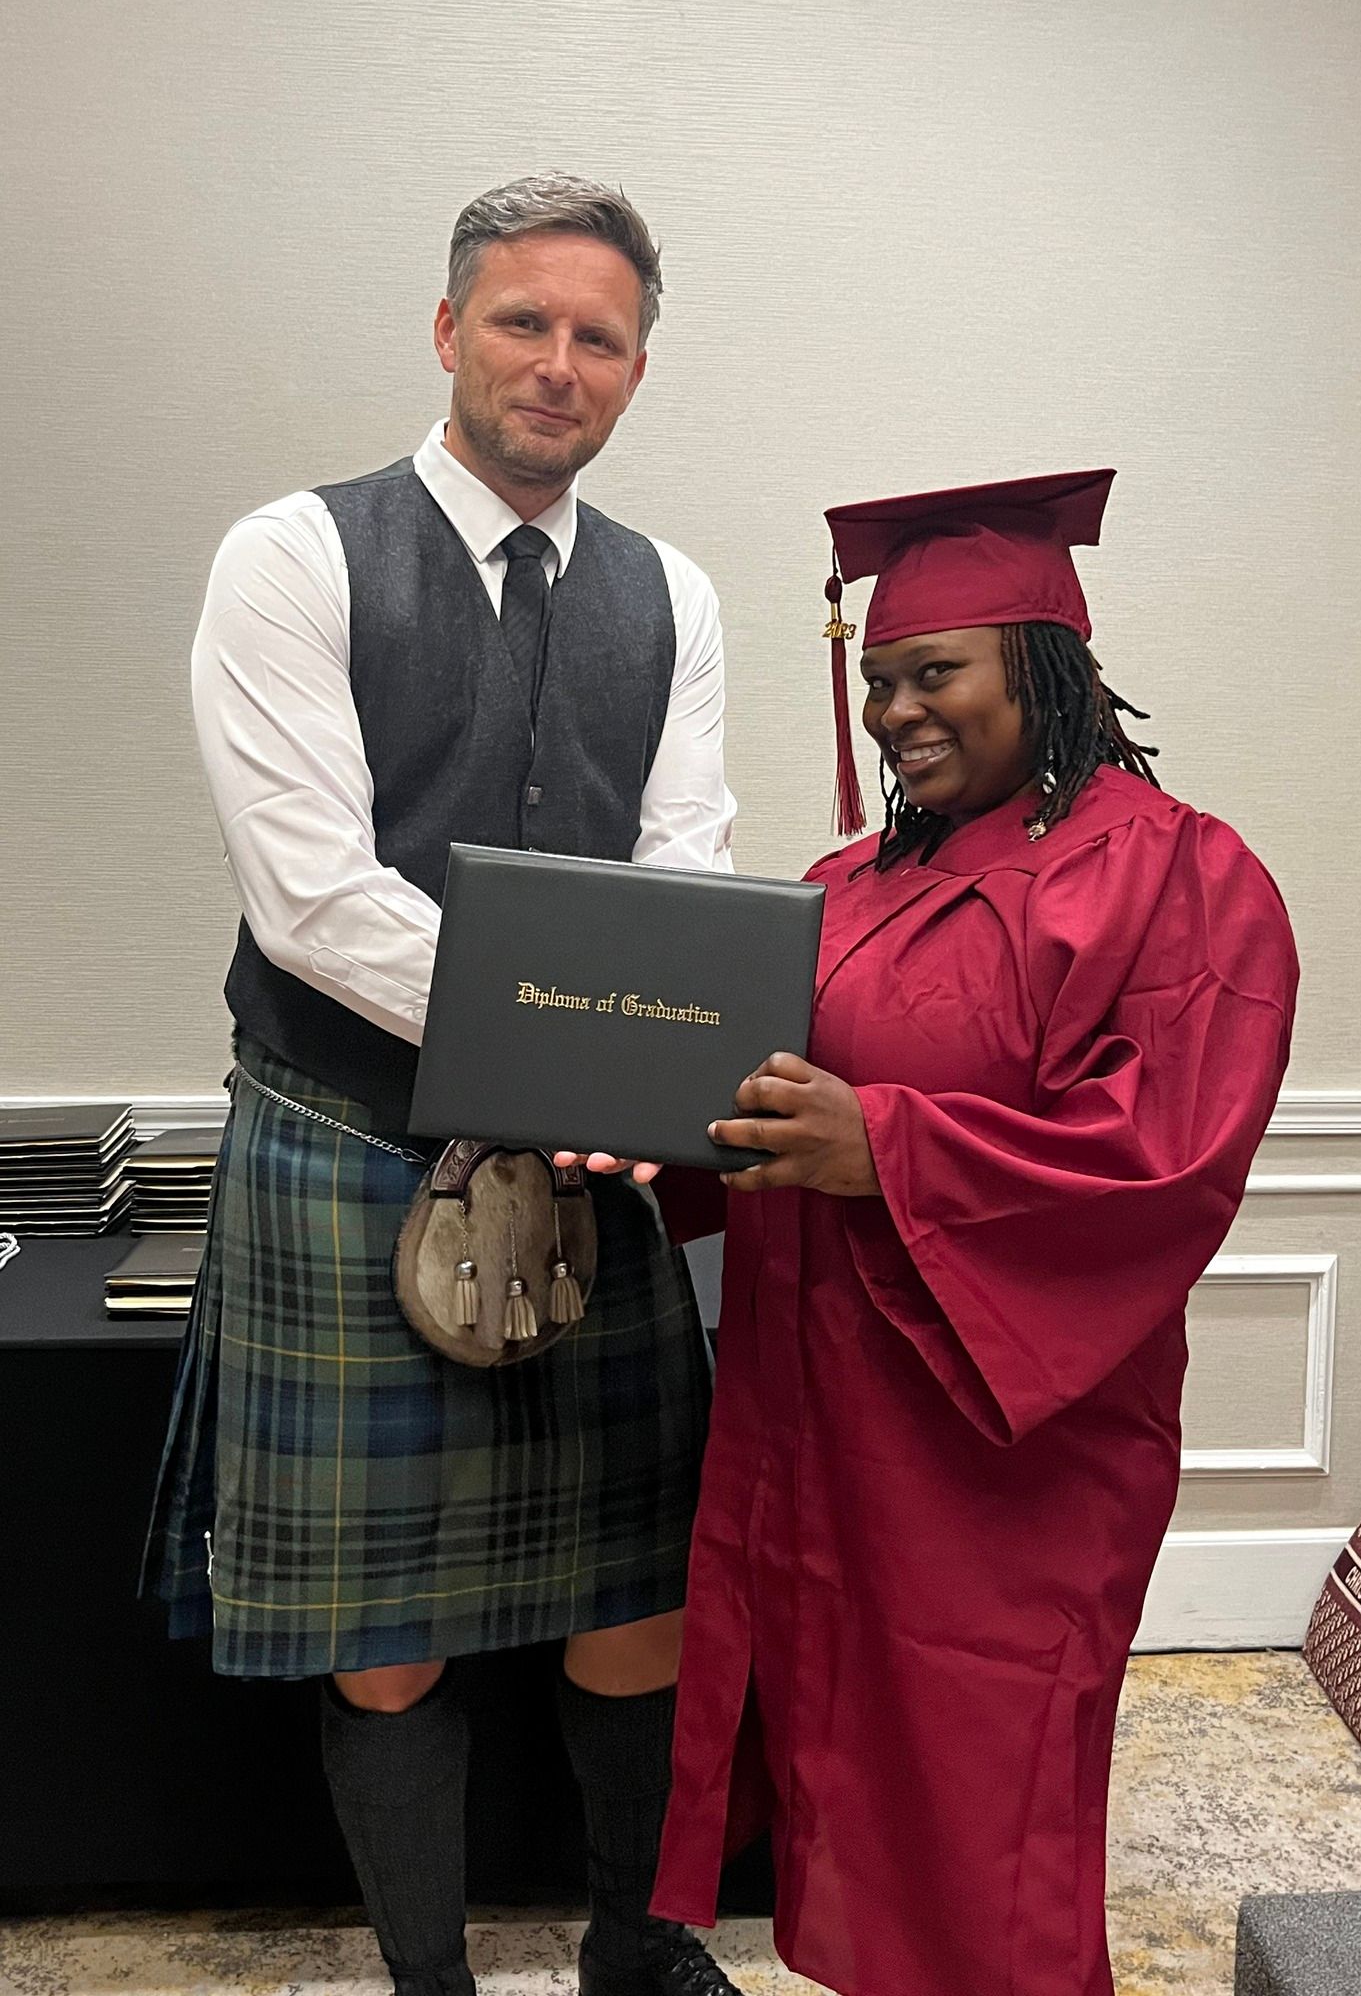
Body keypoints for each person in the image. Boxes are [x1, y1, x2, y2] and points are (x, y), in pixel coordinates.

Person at [144, 174, 742, 1996]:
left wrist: (628, 1068)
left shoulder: (675, 595)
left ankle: (639, 1954)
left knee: (639, 1600)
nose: (558, 366)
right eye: (523, 321)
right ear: (447, 329)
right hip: (352, 1148)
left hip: (586, 1163)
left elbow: (688, 869)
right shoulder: (292, 556)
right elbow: (318, 903)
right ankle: (432, 1989)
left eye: (600, 337)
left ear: (640, 367)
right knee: (384, 1641)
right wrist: (582, 1048)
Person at [644, 473, 1300, 1996]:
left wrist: (880, 1145)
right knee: (851, 1785)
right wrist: (642, 1132)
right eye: (877, 680)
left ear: (1044, 666)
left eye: (934, 672)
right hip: (821, 1423)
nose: (895, 712)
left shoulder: (1174, 872)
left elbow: (1167, 1158)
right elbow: (753, 1114)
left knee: (993, 1801)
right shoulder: (844, 887)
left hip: (1006, 1447)